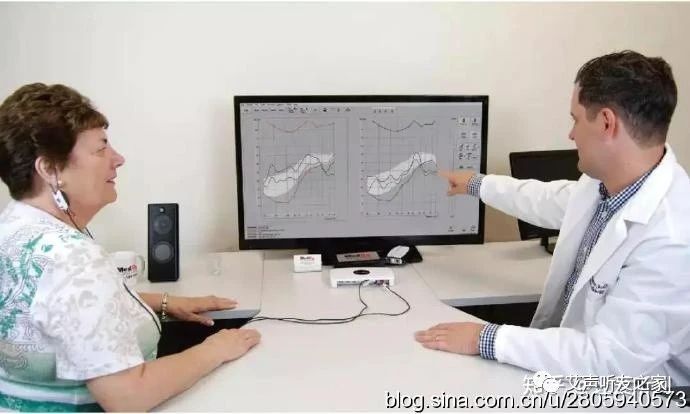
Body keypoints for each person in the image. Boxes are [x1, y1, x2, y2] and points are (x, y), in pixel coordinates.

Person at [415, 51, 690, 385]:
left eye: (576, 119)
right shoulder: (606, 186)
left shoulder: (673, 236)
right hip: (578, 367)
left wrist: (485, 338)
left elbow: (611, 359)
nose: (571, 134)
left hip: (643, 394)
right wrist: (475, 184)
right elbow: (546, 199)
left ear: (606, 122)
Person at [0, 83, 261, 411]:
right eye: (101, 149)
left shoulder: (16, 227)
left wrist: (164, 302)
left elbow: (54, 309)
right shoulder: (74, 259)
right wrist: (216, 349)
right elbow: (127, 397)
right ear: (50, 170)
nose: (118, 159)